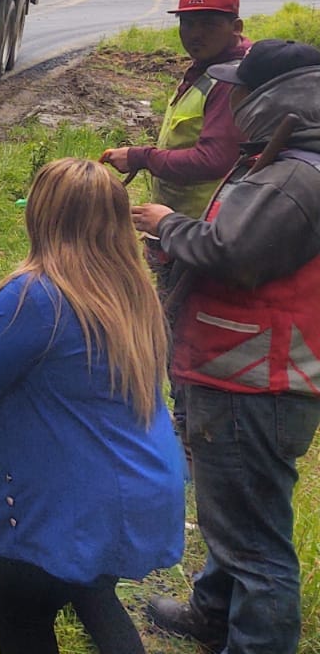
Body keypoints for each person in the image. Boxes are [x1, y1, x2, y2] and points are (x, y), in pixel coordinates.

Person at [0, 157, 185, 654]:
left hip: (73, 502)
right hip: (137, 486)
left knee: (19, 601)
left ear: (40, 215)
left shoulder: (37, 295)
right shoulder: (133, 290)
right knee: (92, 590)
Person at [132, 38, 320, 654]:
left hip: (252, 383)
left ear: (273, 98)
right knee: (236, 509)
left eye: (240, 88)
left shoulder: (295, 176)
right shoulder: (285, 159)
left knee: (256, 545)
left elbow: (233, 254)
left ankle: (254, 638)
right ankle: (213, 611)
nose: (230, 97)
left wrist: (168, 225)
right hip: (240, 372)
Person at [101, 0, 249, 222]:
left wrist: (142, 157)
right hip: (178, 223)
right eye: (187, 23)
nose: (195, 34)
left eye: (208, 24)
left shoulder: (233, 81)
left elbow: (214, 160)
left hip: (205, 229)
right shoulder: (206, 67)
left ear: (236, 27)